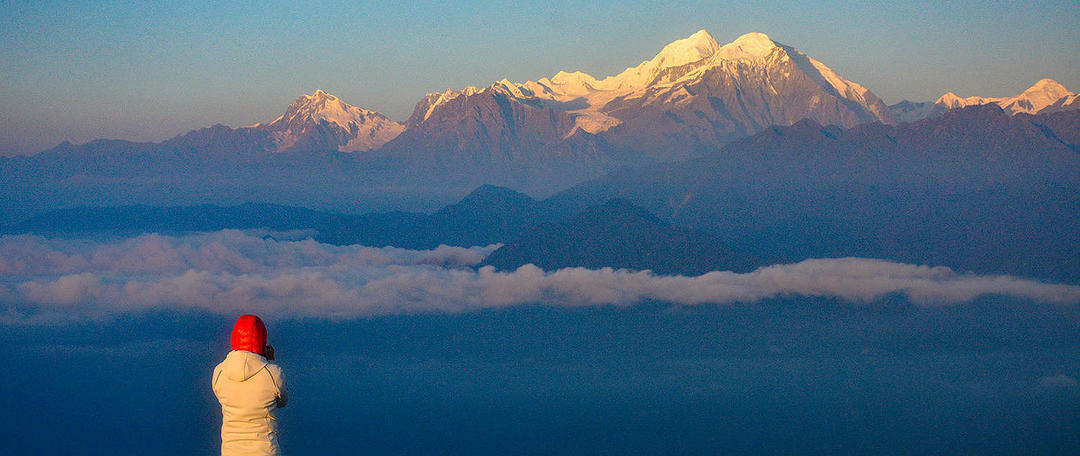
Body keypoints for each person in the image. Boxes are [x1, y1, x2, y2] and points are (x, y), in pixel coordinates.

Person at [212, 315, 288, 456]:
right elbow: (282, 401)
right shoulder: (273, 374)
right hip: (265, 451)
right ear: (262, 341)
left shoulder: (219, 372)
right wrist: (270, 362)